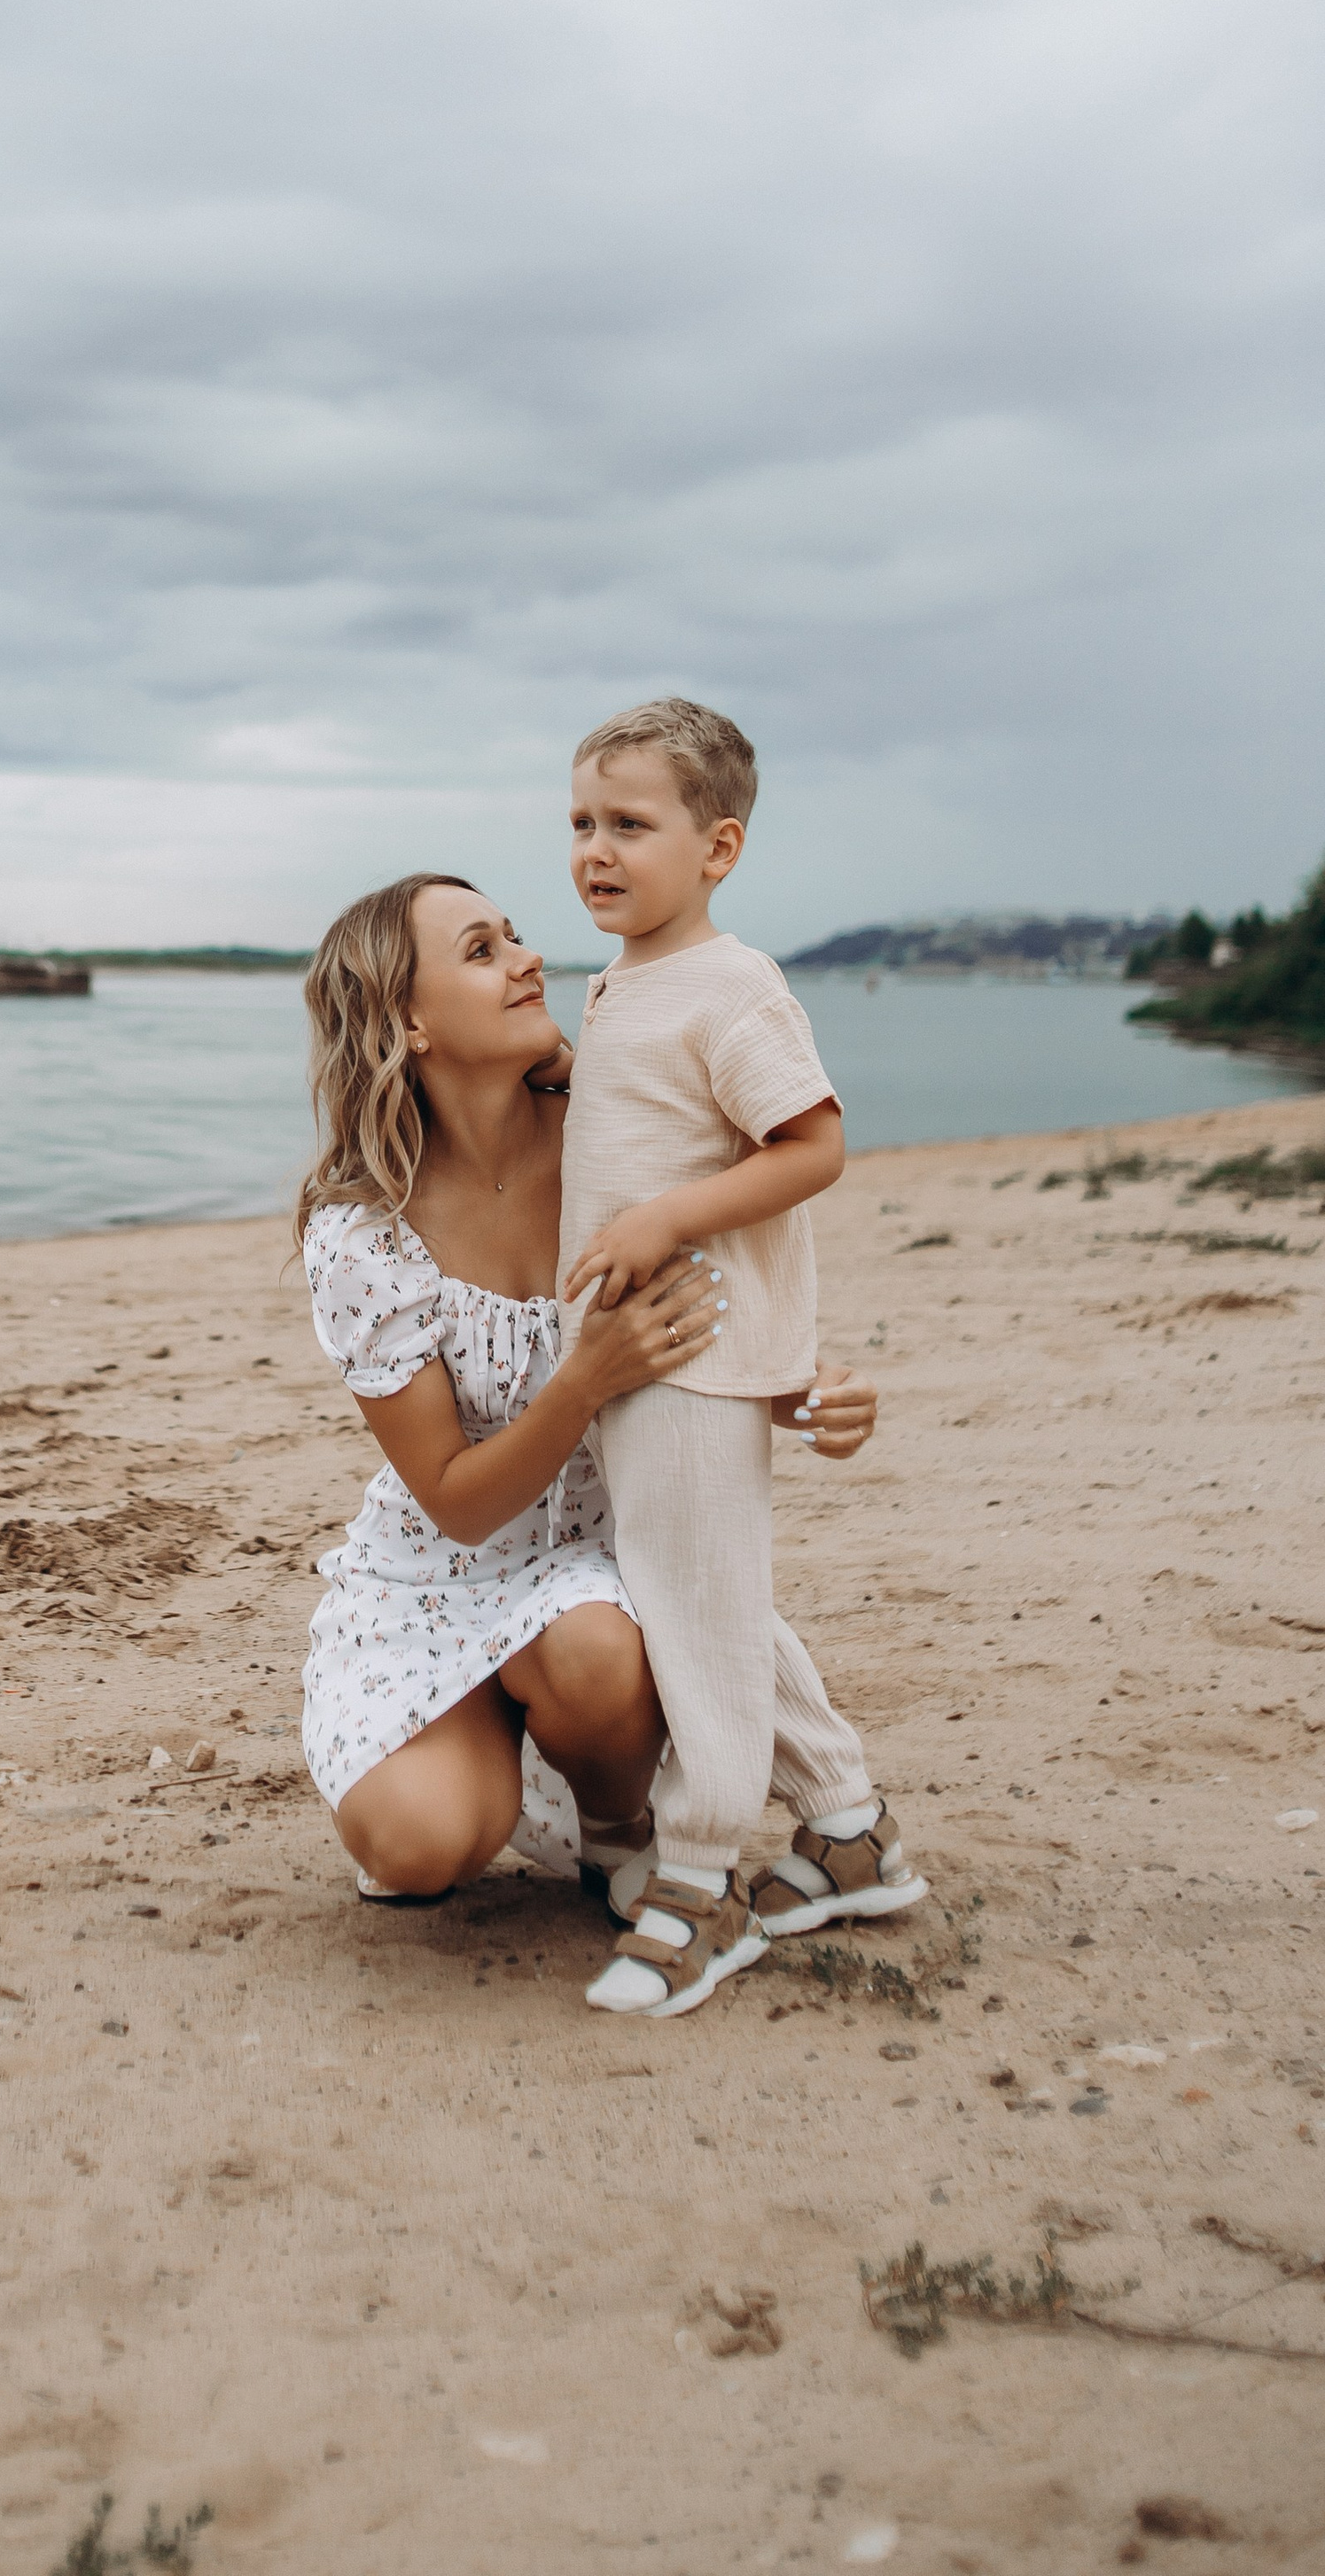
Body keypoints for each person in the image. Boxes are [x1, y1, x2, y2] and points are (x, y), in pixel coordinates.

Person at [294, 871, 883, 1954]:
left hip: (612, 1576)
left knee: (591, 1643)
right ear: (406, 1023)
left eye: (514, 935)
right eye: (481, 949)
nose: (527, 957)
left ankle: (618, 1831)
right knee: (417, 1851)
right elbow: (458, 1507)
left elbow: (719, 1290)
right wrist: (582, 1382)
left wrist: (804, 1390)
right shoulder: (363, 1236)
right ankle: (481, 1750)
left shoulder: (615, 1133)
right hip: (440, 1578)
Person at [558, 698, 925, 2020]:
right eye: (583, 824)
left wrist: (661, 1222)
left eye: (630, 825)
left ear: (718, 848)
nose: (597, 850)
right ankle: (848, 1830)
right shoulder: (616, 982)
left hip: (695, 1349)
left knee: (690, 1610)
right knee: (702, 1596)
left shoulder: (734, 985)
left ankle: (704, 1875)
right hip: (640, 1355)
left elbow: (812, 1147)